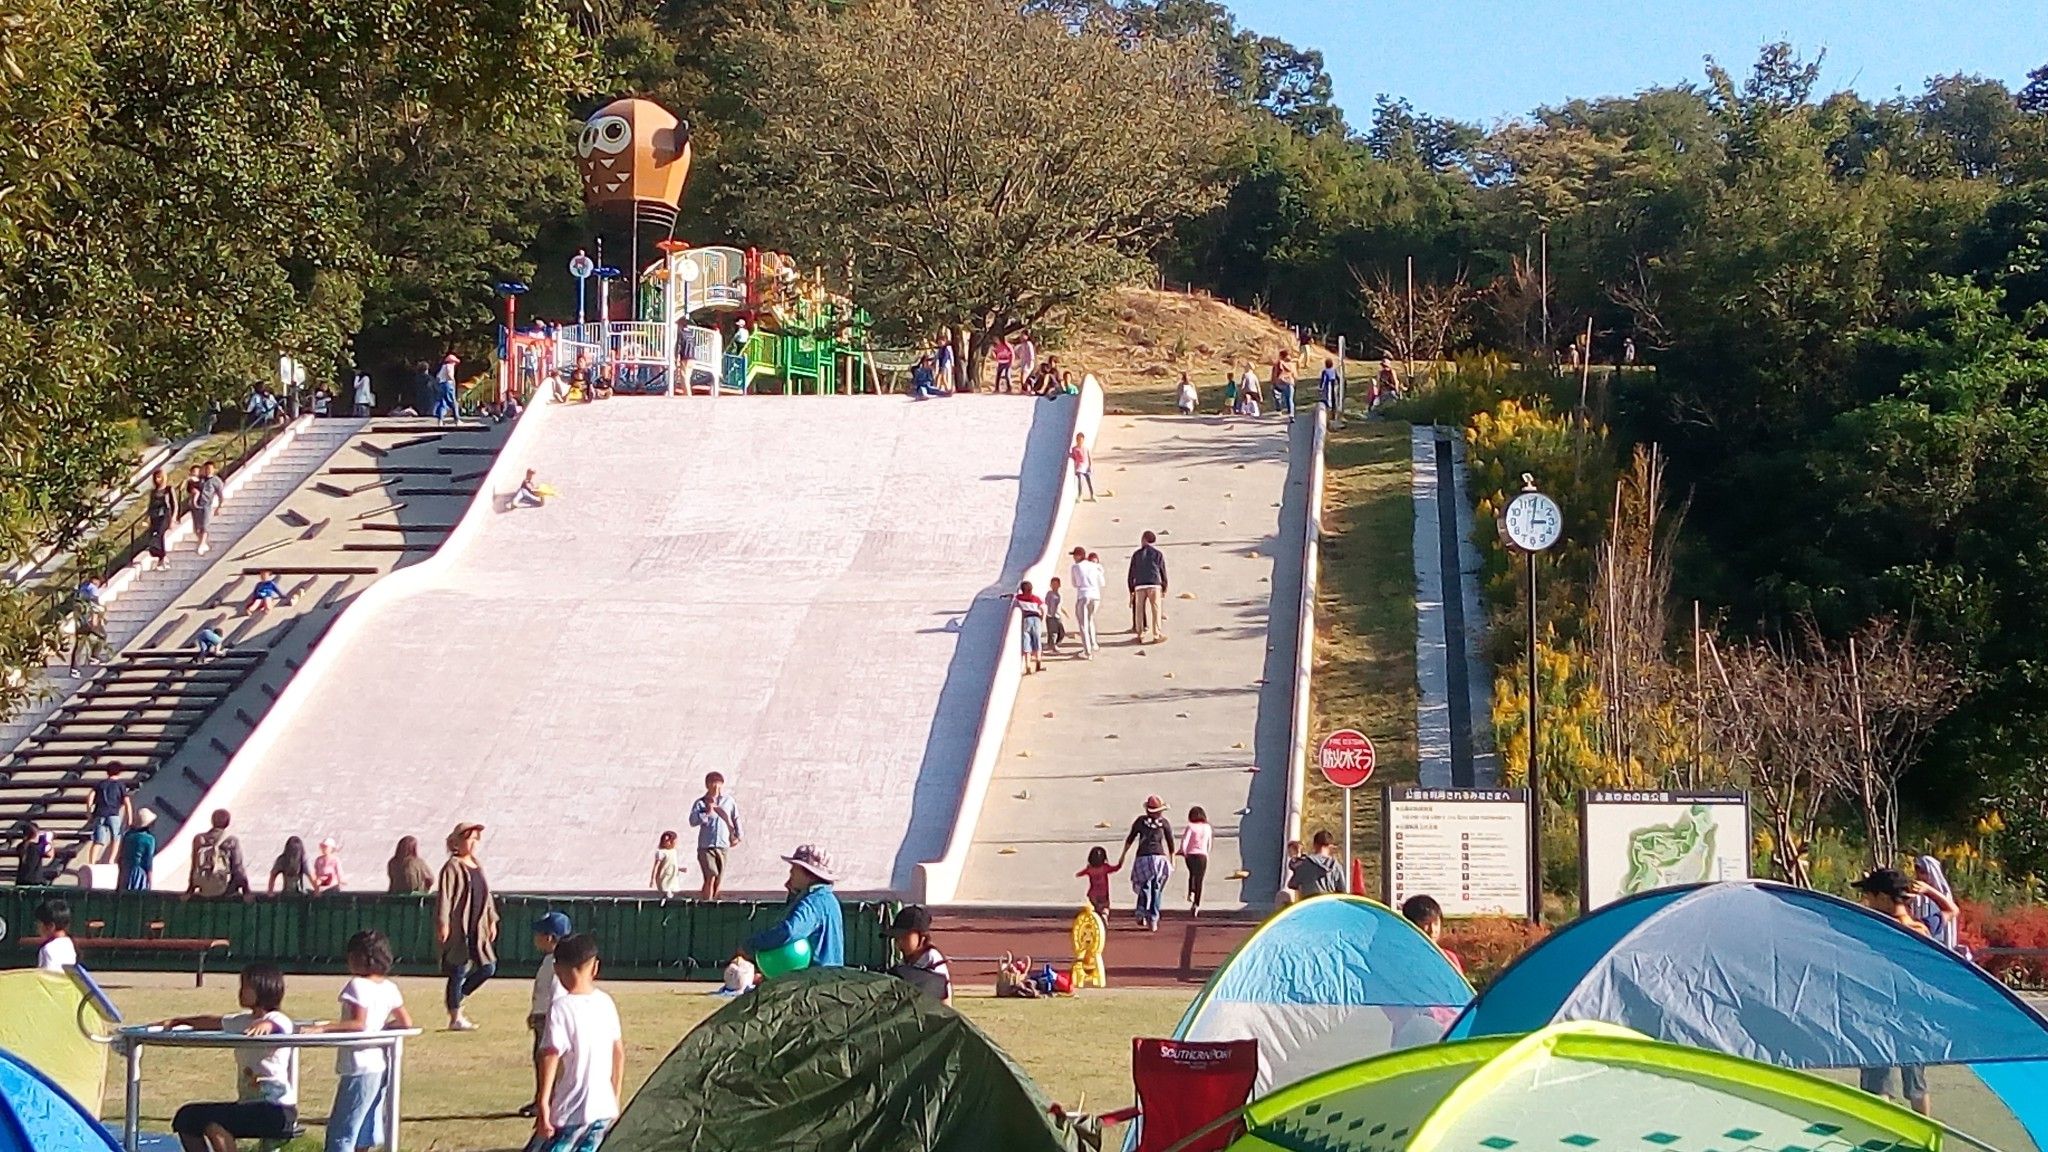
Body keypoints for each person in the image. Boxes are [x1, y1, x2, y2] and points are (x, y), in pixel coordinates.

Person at [162, 963, 299, 1152]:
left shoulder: (278, 1018)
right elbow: (214, 1022)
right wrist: (181, 1021)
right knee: (186, 1118)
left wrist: (265, 1026)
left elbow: (277, 1027)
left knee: (214, 1123)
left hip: (276, 1109)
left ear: (262, 988)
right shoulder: (243, 1021)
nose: (240, 992)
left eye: (245, 987)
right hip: (249, 1106)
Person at [301, 930, 413, 1152]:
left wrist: (323, 1028)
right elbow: (405, 1022)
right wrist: (380, 1027)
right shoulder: (389, 987)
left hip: (358, 1066)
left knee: (342, 1130)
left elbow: (357, 1023)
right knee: (365, 1128)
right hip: (379, 1066)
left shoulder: (357, 986)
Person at [1851, 868, 1933, 1115]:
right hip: (1914, 1016)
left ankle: (1882, 1138)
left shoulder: (1875, 931)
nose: (1866, 901)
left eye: (1870, 896)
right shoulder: (1920, 931)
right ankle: (1925, 1139)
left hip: (1877, 1015)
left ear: (1884, 898)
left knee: (1877, 1086)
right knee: (1917, 1085)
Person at [533, 933, 624, 1152]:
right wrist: (615, 1096)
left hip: (570, 1111)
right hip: (603, 1108)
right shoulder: (605, 1002)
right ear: (595, 968)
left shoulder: (561, 1007)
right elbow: (618, 1052)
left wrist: (543, 1102)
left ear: (556, 970)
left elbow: (550, 1055)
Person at [436, 822, 499, 1030]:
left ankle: (459, 996)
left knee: (488, 967)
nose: (472, 844)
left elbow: (486, 894)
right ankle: (456, 1017)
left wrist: (492, 919)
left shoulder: (476, 864)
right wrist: (444, 923)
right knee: (458, 969)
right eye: (468, 839)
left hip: (478, 926)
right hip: (460, 927)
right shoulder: (452, 866)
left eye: (475, 839)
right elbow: (445, 897)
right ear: (457, 842)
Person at [747, 844, 845, 967]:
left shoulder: (813, 902)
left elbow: (789, 931)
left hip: (815, 977)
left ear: (808, 874)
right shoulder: (829, 899)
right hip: (832, 976)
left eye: (794, 869)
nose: (791, 872)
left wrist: (751, 945)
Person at [522, 912, 572, 1120]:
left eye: (539, 934)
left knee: (547, 1059)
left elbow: (555, 994)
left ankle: (549, 1099)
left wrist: (548, 1017)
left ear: (550, 937)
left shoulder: (557, 963)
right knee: (539, 1058)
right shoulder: (549, 960)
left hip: (550, 1018)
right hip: (542, 1016)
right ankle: (542, 1097)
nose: (535, 938)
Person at [1118, 796, 1175, 931]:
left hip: (1143, 858)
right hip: (1158, 859)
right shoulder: (1164, 823)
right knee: (1156, 888)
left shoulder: (1140, 821)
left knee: (1145, 886)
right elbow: (1171, 844)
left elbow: (1130, 839)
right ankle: (1153, 917)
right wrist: (1172, 861)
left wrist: (1123, 856)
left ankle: (1141, 912)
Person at [689, 772, 742, 901]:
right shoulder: (701, 803)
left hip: (722, 844)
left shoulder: (728, 801)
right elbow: (693, 821)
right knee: (711, 874)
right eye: (712, 784)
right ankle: (706, 901)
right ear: (707, 785)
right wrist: (706, 812)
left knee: (718, 878)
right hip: (706, 845)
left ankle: (714, 901)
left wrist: (738, 835)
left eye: (718, 784)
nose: (715, 787)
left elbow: (735, 817)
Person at [885, 905, 952, 1005]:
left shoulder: (932, 962)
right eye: (897, 938)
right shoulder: (908, 962)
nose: (898, 943)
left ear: (922, 937)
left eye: (904, 937)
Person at [188, 808, 251, 898]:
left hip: (204, 887)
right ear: (228, 823)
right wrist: (246, 891)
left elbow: (194, 866)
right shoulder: (231, 840)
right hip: (225, 889)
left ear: (212, 821)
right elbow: (237, 867)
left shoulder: (199, 839)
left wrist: (190, 890)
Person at [1400, 893, 1465, 977]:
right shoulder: (1402, 958)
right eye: (1426, 923)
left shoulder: (1448, 958)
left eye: (1435, 923)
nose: (1432, 930)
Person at [1911, 855, 1962, 952]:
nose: (1920, 877)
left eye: (1923, 872)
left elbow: (1951, 912)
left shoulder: (1945, 896)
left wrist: (1929, 891)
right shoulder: (1917, 896)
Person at [1128, 530, 1168, 644]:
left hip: (1139, 585)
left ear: (1144, 539)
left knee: (1139, 610)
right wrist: (1164, 586)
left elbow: (1131, 572)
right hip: (1154, 584)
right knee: (1156, 610)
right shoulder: (1158, 554)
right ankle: (1156, 635)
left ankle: (1140, 634)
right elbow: (1162, 571)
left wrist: (1131, 588)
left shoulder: (1136, 554)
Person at [86, 764, 131, 865]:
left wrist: (89, 811)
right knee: (116, 838)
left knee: (98, 840)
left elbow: (90, 796)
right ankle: (111, 860)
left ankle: (92, 862)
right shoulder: (120, 785)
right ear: (119, 772)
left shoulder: (100, 784)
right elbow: (127, 801)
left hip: (99, 813)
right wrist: (129, 817)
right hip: (113, 814)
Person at [68, 578, 110, 674]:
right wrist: (97, 615)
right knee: (102, 635)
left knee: (79, 645)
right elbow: (94, 603)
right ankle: (94, 656)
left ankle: (74, 668)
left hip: (80, 621)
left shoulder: (80, 588)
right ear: (96, 581)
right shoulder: (93, 588)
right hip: (90, 620)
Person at [1068, 546, 1105, 658]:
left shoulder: (1075, 567)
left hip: (1083, 595)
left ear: (1079, 556)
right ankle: (1094, 643)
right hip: (1095, 596)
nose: (1073, 558)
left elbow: (1075, 584)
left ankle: (1087, 651)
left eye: (1074, 555)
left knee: (1083, 624)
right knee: (1090, 620)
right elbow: (1102, 583)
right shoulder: (1095, 566)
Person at [1288, 830, 1343, 897]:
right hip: (1329, 904)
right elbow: (1342, 890)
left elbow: (1292, 884)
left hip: (1310, 904)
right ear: (1330, 846)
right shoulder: (1336, 866)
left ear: (1314, 845)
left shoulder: (1305, 864)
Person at [186, 462, 224, 556]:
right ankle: (203, 543)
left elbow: (220, 495)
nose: (208, 471)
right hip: (196, 505)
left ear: (214, 469)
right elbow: (192, 485)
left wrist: (219, 506)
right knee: (196, 528)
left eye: (210, 469)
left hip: (207, 505)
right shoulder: (201, 478)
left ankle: (201, 544)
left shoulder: (216, 481)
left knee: (204, 526)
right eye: (206, 468)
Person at [1181, 806, 1213, 917]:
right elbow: (1209, 842)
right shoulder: (1207, 827)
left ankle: (1191, 891)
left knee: (1192, 873)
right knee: (1200, 879)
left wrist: (1183, 852)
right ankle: (1196, 904)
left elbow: (1185, 841)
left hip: (1190, 854)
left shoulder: (1190, 827)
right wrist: (1206, 852)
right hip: (1202, 855)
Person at [1011, 579, 1046, 674]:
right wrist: (1042, 617)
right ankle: (1038, 661)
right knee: (1037, 639)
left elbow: (1013, 597)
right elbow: (1043, 607)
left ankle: (1028, 666)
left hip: (1026, 619)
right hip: (1036, 618)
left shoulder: (1019, 598)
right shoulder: (1035, 598)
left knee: (1027, 641)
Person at [118, 809, 158, 891]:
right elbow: (148, 862)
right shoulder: (149, 839)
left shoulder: (128, 835)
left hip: (126, 872)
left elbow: (121, 857)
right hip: (139, 872)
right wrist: (150, 882)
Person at [1077, 846, 1120, 920]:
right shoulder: (1105, 868)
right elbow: (1116, 868)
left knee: (1097, 909)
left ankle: (1097, 919)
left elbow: (1079, 874)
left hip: (1093, 894)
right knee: (1105, 908)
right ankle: (1104, 918)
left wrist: (1079, 873)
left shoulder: (1089, 869)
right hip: (1103, 894)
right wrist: (1120, 862)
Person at [145, 467, 176, 570]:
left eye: (159, 477)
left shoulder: (168, 489)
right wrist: (147, 517)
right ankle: (162, 557)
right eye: (156, 477)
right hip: (155, 516)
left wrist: (173, 519)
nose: (157, 479)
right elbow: (150, 505)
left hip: (165, 515)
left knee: (159, 534)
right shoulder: (153, 492)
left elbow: (174, 505)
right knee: (152, 536)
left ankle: (163, 557)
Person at [34, 899, 75, 971]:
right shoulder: (70, 944)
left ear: (51, 926)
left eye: (39, 923)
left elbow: (48, 977)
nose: (36, 925)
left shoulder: (48, 949)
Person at [650, 831, 684, 899]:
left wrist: (679, 869)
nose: (668, 843)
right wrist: (652, 879)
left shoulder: (673, 851)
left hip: (673, 876)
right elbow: (656, 866)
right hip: (664, 877)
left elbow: (671, 864)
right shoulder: (661, 852)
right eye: (665, 841)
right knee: (666, 890)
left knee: (674, 891)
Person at [14, 822, 51, 886]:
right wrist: (49, 841)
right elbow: (50, 854)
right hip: (35, 880)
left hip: (21, 880)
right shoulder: (37, 847)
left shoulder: (21, 846)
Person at [433, 354, 461, 424]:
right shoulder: (450, 366)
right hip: (448, 384)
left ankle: (440, 420)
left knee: (443, 403)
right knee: (453, 402)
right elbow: (449, 374)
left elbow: (437, 377)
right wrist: (453, 381)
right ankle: (457, 419)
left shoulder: (443, 367)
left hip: (441, 385)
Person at [1044, 576, 1067, 654]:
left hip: (1057, 616)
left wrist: (1064, 612)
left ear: (1059, 585)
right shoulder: (1049, 593)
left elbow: (1059, 606)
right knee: (1052, 632)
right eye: (1053, 584)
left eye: (1056, 584)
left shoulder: (1059, 595)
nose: (1054, 586)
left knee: (1061, 631)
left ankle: (1054, 644)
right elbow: (1047, 603)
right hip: (1050, 616)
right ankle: (1052, 646)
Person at [1069, 432, 1096, 501]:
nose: (1079, 441)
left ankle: (1092, 494)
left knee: (1089, 480)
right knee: (1080, 479)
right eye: (1078, 440)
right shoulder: (1074, 449)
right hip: (1079, 467)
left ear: (1083, 440)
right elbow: (1074, 457)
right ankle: (1080, 495)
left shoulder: (1086, 448)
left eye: (1081, 440)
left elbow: (1089, 457)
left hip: (1086, 466)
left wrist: (1090, 466)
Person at [1271, 352, 1295, 417]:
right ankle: (1291, 413)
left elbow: (1275, 374)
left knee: (1278, 397)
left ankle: (1279, 410)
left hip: (1280, 383)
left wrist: (1273, 382)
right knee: (1290, 399)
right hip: (1289, 382)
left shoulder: (1278, 363)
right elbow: (1294, 374)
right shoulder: (1291, 364)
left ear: (1281, 356)